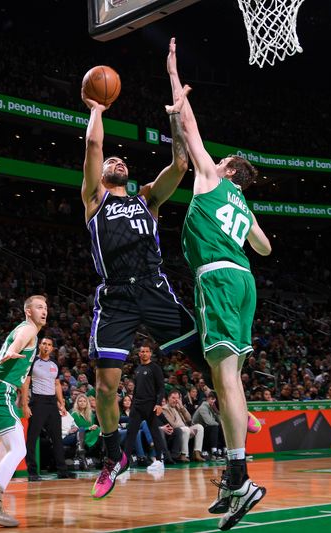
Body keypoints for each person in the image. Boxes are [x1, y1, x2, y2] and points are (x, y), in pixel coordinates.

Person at [80, 51, 203, 500]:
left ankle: (234, 416)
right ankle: (114, 456)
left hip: (153, 288)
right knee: (105, 385)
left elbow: (180, 167)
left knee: (201, 352)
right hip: (115, 297)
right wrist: (96, 110)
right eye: (112, 161)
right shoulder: (94, 200)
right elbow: (94, 148)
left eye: (121, 160)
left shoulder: (146, 199)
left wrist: (175, 121)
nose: (116, 160)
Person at [169, 38, 272, 530]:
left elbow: (190, 130)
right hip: (245, 280)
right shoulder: (244, 206)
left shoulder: (212, 176)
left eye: (224, 160)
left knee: (225, 378)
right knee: (226, 377)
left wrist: (175, 84)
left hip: (217, 279)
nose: (217, 160)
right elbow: (265, 247)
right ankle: (234, 480)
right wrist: (246, 223)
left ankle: (240, 475)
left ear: (229, 169)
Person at [0, 296, 48, 527]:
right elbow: (18, 342)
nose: (44, 311)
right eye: (39, 307)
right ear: (28, 311)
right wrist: (11, 351)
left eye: (46, 307)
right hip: (0, 392)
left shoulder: (25, 329)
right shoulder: (29, 330)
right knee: (18, 449)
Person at [24, 337, 75, 480]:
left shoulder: (54, 363)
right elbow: (26, 383)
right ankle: (32, 472)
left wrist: (61, 403)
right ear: (40, 345)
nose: (46, 346)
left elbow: (57, 384)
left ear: (52, 348)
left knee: (57, 438)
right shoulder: (32, 361)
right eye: (44, 344)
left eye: (49, 345)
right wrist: (25, 404)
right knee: (32, 438)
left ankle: (62, 470)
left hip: (52, 402)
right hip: (38, 401)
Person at [123, 344, 172, 466]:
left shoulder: (155, 368)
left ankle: (159, 460)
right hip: (137, 405)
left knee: (154, 431)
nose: (144, 353)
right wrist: (133, 403)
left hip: (151, 405)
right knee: (130, 432)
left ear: (150, 354)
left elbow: (161, 388)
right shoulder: (138, 368)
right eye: (142, 351)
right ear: (139, 354)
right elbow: (136, 388)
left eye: (146, 351)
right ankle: (124, 463)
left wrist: (159, 404)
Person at [164, 389, 205, 462]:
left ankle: (197, 453)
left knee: (199, 427)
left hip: (186, 429)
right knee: (186, 429)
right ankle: (183, 454)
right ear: (168, 398)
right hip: (175, 432)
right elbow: (172, 424)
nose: (175, 400)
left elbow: (189, 419)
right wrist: (188, 428)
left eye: (177, 398)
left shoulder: (178, 407)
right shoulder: (165, 408)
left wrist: (182, 407)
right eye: (173, 398)